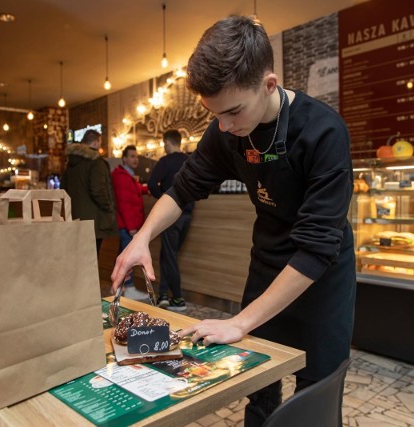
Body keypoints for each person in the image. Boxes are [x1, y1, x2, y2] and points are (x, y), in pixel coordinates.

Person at [111, 15, 355, 426]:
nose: (224, 126)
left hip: (322, 275)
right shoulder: (226, 130)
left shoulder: (324, 132)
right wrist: (142, 236)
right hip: (267, 261)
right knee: (257, 380)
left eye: (233, 112)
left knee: (317, 388)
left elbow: (316, 249)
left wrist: (239, 322)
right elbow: (182, 189)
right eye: (215, 115)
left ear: (269, 85)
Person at [147, 130, 193, 311]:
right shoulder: (189, 160)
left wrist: (163, 199)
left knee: (169, 254)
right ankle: (164, 295)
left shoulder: (165, 162)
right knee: (169, 253)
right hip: (187, 214)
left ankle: (178, 298)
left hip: (170, 215)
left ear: (167, 142)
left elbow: (151, 184)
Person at [61, 129, 117, 254]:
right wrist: (109, 208)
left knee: (79, 257)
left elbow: (62, 188)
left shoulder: (70, 163)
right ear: (96, 143)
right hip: (93, 220)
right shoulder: (96, 162)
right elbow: (98, 190)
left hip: (74, 217)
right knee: (92, 258)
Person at [111, 145, 150, 301]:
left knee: (123, 258)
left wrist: (148, 189)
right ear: (124, 159)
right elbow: (124, 203)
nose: (135, 159)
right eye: (132, 156)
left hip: (127, 225)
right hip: (127, 226)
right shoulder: (121, 176)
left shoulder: (127, 175)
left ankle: (118, 288)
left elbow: (135, 190)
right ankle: (129, 288)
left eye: (136, 156)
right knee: (129, 259)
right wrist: (132, 227)